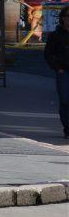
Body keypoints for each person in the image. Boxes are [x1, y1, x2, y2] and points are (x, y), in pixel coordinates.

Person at [43, 7, 69, 138]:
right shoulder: (55, 35)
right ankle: (67, 127)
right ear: (63, 18)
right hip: (63, 71)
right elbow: (48, 54)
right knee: (65, 100)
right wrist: (57, 67)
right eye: (68, 16)